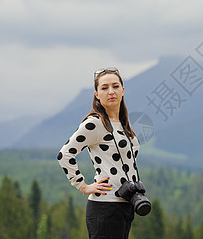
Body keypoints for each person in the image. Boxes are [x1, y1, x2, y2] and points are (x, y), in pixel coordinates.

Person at [57, 67, 142, 239]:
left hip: (126, 205)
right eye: (104, 88)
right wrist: (83, 186)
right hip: (105, 207)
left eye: (115, 86)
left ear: (123, 90)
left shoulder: (122, 124)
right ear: (96, 94)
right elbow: (64, 154)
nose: (111, 91)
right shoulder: (95, 123)